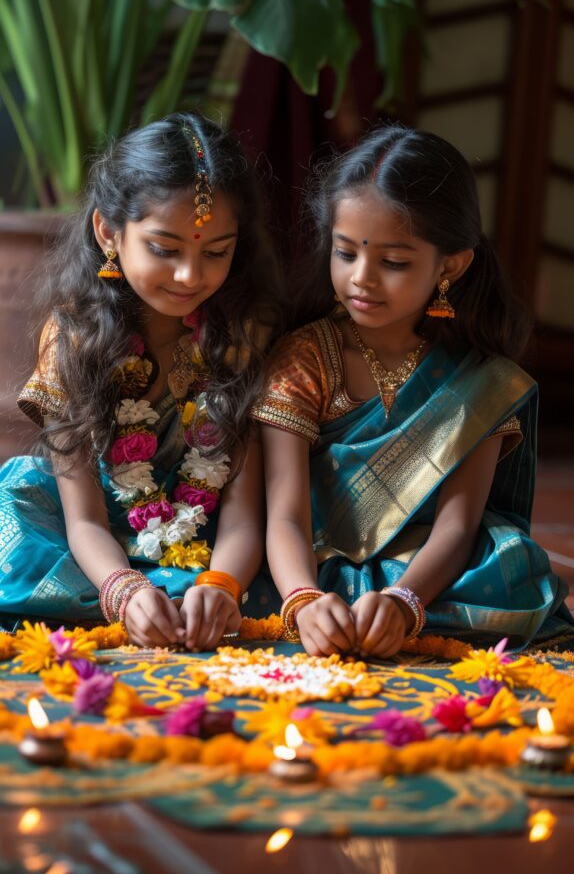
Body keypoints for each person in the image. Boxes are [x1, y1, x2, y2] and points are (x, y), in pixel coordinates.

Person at [253, 124, 573, 657]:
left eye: (394, 262)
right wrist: (304, 600)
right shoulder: (305, 356)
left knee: (513, 561)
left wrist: (405, 600)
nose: (362, 278)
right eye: (345, 253)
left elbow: (459, 523)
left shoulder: (479, 377)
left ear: (450, 265)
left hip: (425, 568)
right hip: (310, 560)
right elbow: (284, 513)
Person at [0, 112, 282, 649]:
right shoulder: (74, 339)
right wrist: (124, 590)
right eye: (164, 248)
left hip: (215, 550)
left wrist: (222, 586)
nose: (189, 276)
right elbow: (82, 520)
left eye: (215, 251)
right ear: (109, 231)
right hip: (94, 552)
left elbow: (246, 513)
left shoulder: (242, 334)